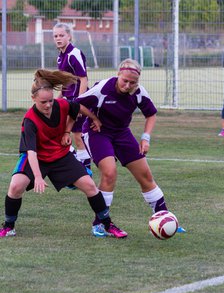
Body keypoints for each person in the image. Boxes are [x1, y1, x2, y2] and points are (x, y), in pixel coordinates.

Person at [0, 69, 121, 238]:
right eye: (43, 102)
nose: (48, 105)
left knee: (90, 186)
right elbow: (31, 152)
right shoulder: (29, 120)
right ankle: (9, 226)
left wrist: (92, 119)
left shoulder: (61, 104)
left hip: (60, 155)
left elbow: (78, 108)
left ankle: (107, 224)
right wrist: (38, 177)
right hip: (36, 158)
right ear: (33, 99)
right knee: (15, 186)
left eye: (50, 100)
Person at [75, 58, 186, 238]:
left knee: (145, 175)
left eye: (132, 82)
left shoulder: (139, 92)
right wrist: (94, 118)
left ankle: (164, 217)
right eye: (124, 80)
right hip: (98, 133)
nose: (127, 85)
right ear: (118, 74)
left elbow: (151, 114)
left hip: (122, 133)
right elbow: (77, 104)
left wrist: (145, 138)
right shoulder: (103, 88)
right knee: (109, 173)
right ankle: (100, 223)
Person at [53, 22, 91, 168]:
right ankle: (76, 160)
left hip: (77, 101)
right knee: (60, 132)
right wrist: (56, 101)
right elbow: (65, 83)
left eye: (61, 35)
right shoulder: (60, 57)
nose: (58, 38)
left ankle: (86, 170)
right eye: (55, 36)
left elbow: (83, 79)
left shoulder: (74, 54)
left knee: (77, 136)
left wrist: (79, 103)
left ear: (69, 36)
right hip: (67, 102)